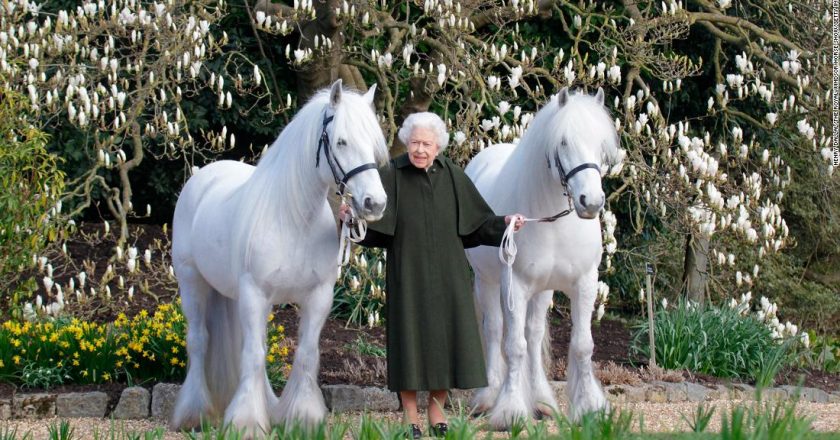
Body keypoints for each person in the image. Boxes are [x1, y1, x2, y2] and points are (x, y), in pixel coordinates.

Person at [339, 112, 525, 438]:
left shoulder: (453, 175)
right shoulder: (392, 175)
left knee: (446, 343)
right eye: (414, 143)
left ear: (438, 145)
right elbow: (373, 229)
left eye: (426, 143)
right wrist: (350, 219)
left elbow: (478, 225)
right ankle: (411, 415)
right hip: (407, 274)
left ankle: (436, 410)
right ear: (406, 144)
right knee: (408, 343)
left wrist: (506, 223)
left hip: (449, 276)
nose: (419, 150)